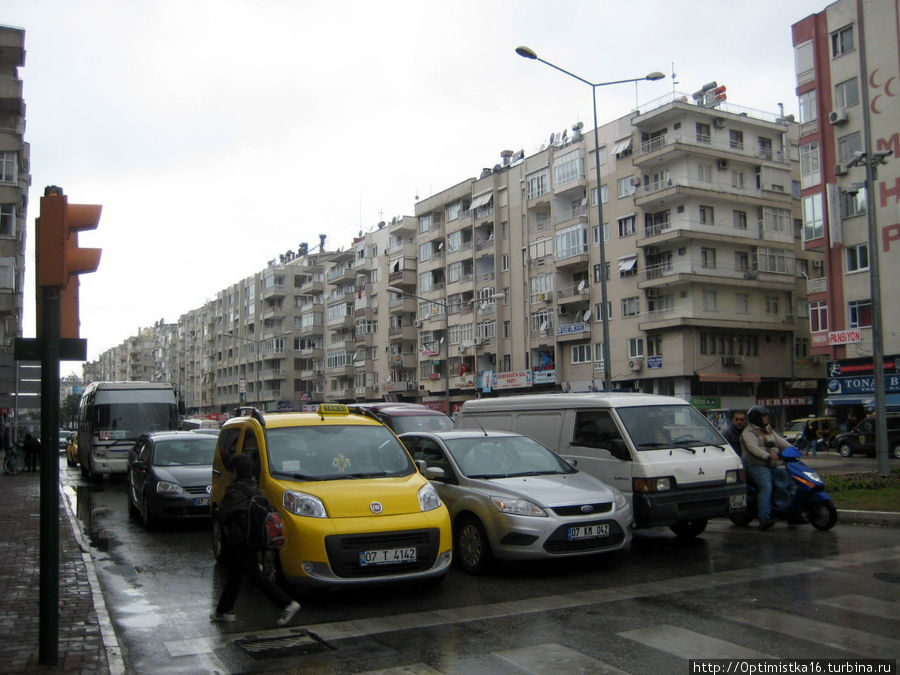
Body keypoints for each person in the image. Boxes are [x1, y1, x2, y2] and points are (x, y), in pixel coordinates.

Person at [211, 453, 300, 625]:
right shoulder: (254, 487)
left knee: (256, 577)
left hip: (241, 540)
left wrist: (216, 511)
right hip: (253, 538)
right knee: (235, 575)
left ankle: (288, 604)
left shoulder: (235, 491)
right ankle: (224, 610)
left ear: (235, 472)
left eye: (231, 471)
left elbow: (223, 514)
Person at [741, 406, 790, 531]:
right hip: (756, 466)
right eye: (764, 416)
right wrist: (767, 456)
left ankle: (792, 512)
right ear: (756, 418)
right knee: (766, 487)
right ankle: (764, 518)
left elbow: (780, 441)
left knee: (790, 480)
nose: (767, 418)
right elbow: (753, 449)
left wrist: (794, 450)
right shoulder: (748, 433)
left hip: (772, 465)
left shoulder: (768, 430)